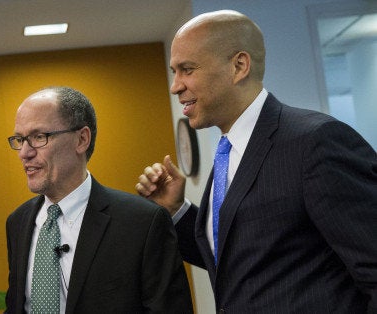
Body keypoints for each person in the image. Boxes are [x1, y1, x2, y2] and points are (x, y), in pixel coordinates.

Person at [136, 10, 377, 313]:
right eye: (174, 71)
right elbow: (239, 261)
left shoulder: (315, 141)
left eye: (187, 69)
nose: (175, 86)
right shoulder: (228, 150)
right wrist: (177, 210)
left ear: (238, 66)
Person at [4, 86, 193, 314]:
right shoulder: (18, 222)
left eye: (38, 137)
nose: (24, 152)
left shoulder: (142, 223)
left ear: (81, 139)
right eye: (19, 139)